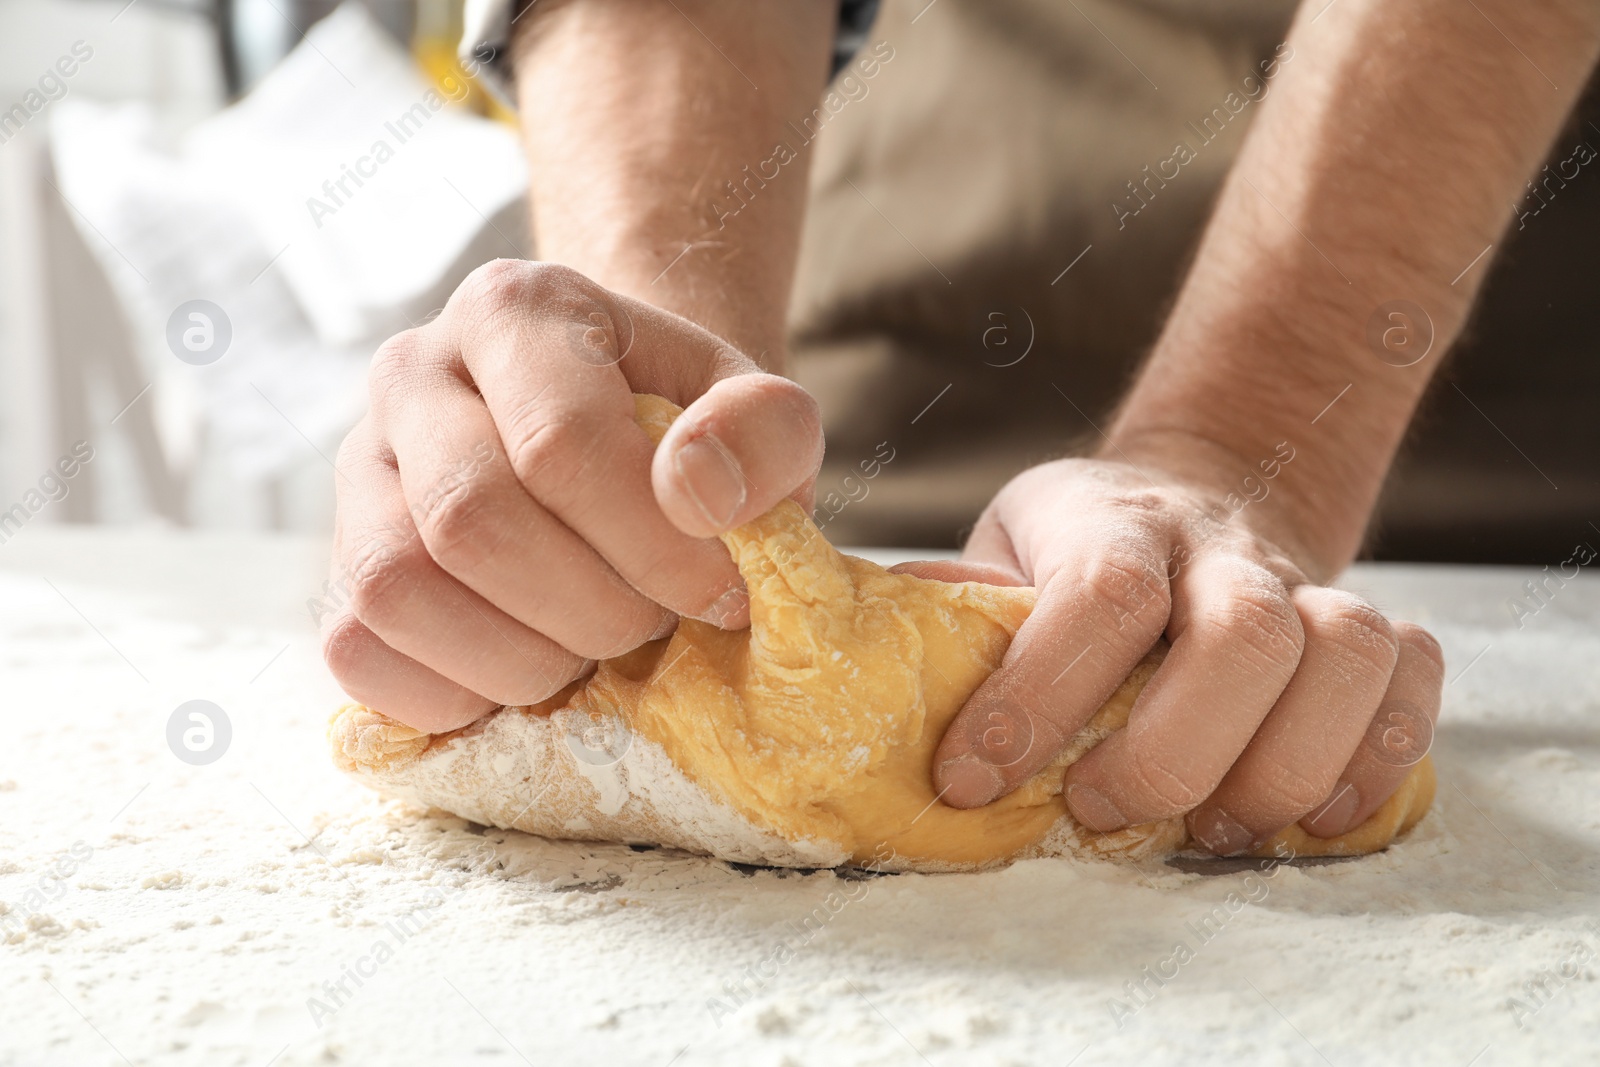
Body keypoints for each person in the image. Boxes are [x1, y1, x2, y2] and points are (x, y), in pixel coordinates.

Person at [319, 0, 1600, 857]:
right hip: (889, 371)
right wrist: (638, 434)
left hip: (1492, 450)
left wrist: (1241, 449)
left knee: (1257, 679)